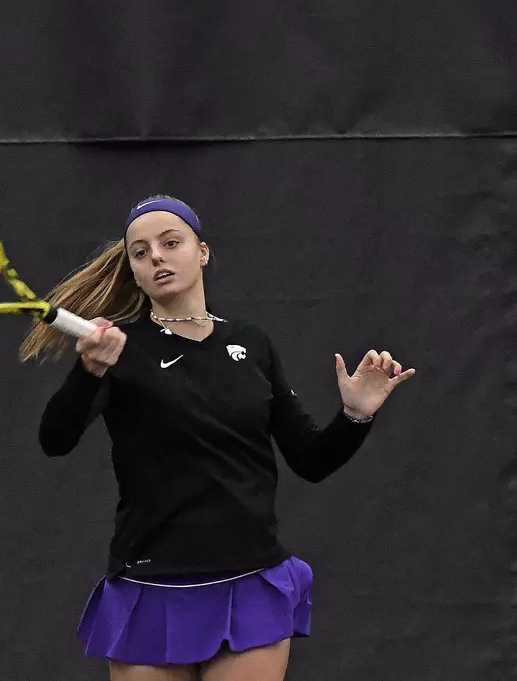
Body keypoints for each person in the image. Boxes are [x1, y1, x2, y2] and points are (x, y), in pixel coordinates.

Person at [21, 196, 414, 681]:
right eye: (140, 253)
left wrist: (356, 414)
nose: (157, 258)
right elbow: (54, 440)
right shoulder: (117, 348)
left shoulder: (252, 344)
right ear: (134, 272)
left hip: (248, 582)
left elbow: (311, 460)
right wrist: (88, 370)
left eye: (171, 243)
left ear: (202, 251)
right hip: (149, 584)